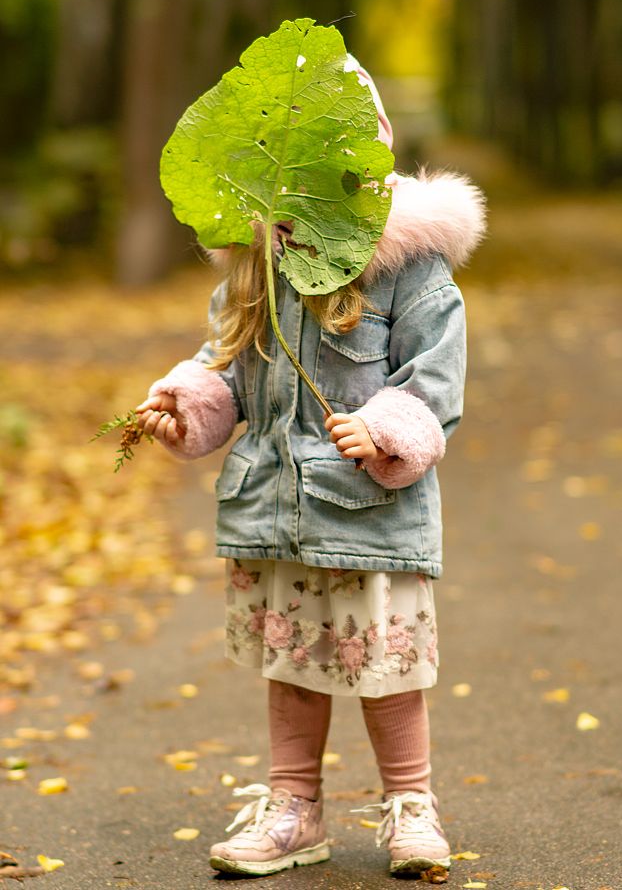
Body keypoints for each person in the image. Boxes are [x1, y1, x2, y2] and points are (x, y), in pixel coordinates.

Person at [136, 56, 486, 878]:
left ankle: (410, 805)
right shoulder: (257, 265)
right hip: (276, 509)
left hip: (368, 510)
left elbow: (434, 376)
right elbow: (225, 364)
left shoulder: (408, 266)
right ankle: (294, 807)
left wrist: (388, 429)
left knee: (388, 665)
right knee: (294, 662)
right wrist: (187, 404)